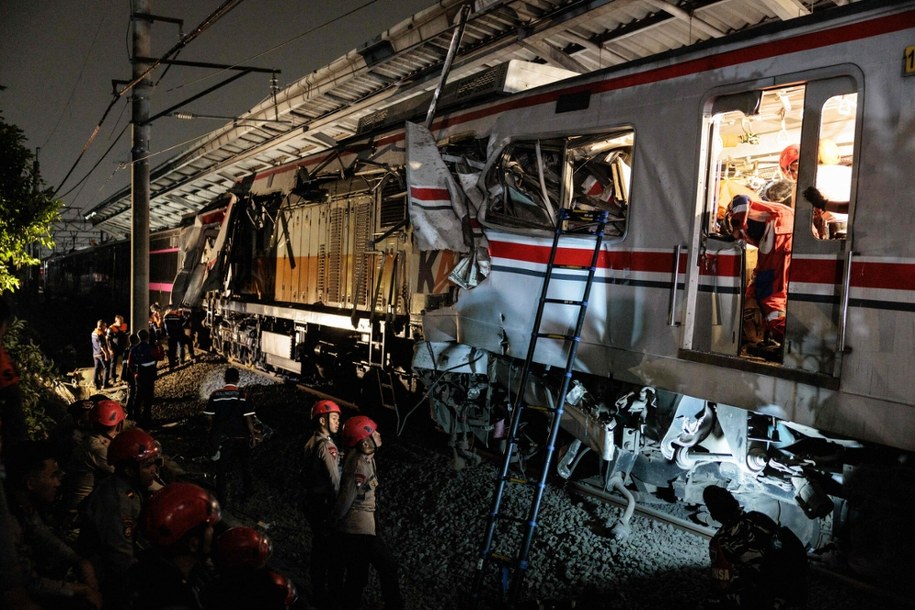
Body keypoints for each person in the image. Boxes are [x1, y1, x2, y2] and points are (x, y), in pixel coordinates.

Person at [5, 440, 103, 609]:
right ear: (30, 483)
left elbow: (43, 535)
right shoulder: (9, 524)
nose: (57, 483)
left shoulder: (23, 507)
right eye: (52, 476)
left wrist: (78, 561)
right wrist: (80, 590)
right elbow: (28, 582)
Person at [78, 427, 161, 610]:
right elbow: (120, 558)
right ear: (130, 471)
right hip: (105, 579)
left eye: (154, 464)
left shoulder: (126, 488)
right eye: (147, 466)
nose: (154, 471)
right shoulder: (118, 501)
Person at [331, 415, 404, 610]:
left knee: (359, 575)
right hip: (358, 529)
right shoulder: (359, 465)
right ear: (365, 443)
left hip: (364, 526)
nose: (378, 435)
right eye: (373, 433)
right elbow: (345, 499)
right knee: (382, 568)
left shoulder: (365, 458)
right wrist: (334, 523)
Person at [703, 485, 807, 609]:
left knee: (714, 600)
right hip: (790, 591)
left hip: (764, 598)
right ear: (736, 503)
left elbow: (722, 584)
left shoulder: (720, 541)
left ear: (714, 515)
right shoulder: (759, 519)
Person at [127, 482, 221, 610]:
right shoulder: (176, 598)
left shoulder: (144, 564)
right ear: (193, 544)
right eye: (208, 528)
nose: (212, 532)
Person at [724, 194, 794, 360]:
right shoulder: (763, 219)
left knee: (770, 295)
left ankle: (790, 339)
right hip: (786, 231)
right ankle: (777, 336)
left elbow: (741, 199)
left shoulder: (735, 207)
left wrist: (736, 227)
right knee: (763, 289)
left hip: (781, 230)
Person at [59, 400, 127, 535]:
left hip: (78, 509)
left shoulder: (91, 440)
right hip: (78, 518)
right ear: (119, 425)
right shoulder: (97, 449)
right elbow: (129, 474)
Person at [302, 399, 342, 606]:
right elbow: (335, 481)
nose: (337, 422)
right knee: (329, 550)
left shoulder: (311, 441)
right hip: (324, 504)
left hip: (312, 501)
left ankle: (317, 590)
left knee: (318, 547)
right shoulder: (327, 446)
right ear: (323, 421)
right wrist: (340, 508)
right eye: (334, 418)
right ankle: (327, 596)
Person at [203, 368, 258, 508]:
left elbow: (209, 417)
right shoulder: (243, 395)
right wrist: (252, 435)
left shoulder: (215, 394)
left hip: (223, 439)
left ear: (224, 379)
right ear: (238, 379)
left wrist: (212, 430)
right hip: (240, 438)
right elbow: (248, 419)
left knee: (221, 469)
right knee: (245, 466)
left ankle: (222, 499)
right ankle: (248, 493)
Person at [126, 329, 158, 427]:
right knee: (148, 397)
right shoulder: (151, 348)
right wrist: (159, 346)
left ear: (139, 337)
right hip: (150, 375)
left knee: (138, 396)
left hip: (139, 374)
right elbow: (160, 356)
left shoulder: (134, 349)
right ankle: (147, 418)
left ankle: (137, 418)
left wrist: (135, 373)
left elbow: (129, 364)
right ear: (147, 337)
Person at [107, 315, 129, 385]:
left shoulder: (124, 326)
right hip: (114, 348)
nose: (122, 322)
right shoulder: (111, 328)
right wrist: (110, 349)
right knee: (113, 363)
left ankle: (124, 377)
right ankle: (113, 378)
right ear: (116, 320)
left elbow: (125, 334)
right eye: (120, 320)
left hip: (123, 348)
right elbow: (108, 340)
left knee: (125, 362)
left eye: (123, 320)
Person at [162, 304, 185, 370]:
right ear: (170, 310)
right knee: (175, 349)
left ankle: (176, 363)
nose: (176, 310)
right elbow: (171, 326)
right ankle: (175, 364)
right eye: (175, 309)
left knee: (175, 349)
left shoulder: (169, 316)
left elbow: (181, 323)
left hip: (173, 335)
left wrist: (183, 317)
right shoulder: (168, 317)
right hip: (173, 335)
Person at [91, 319, 112, 391]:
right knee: (106, 368)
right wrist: (106, 353)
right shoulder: (100, 334)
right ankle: (105, 384)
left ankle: (96, 384)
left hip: (95, 353)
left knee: (96, 369)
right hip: (101, 353)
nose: (105, 327)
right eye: (104, 325)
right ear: (102, 325)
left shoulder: (93, 332)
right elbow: (101, 345)